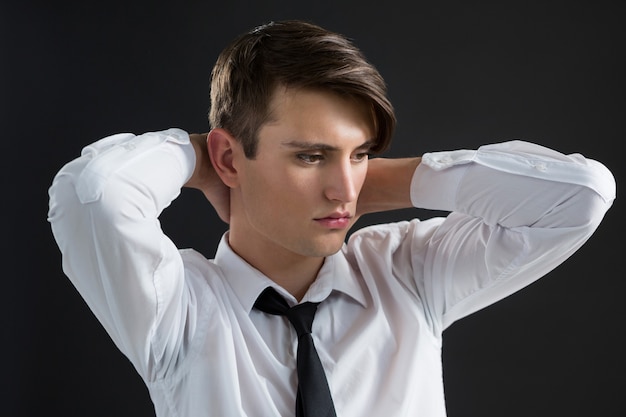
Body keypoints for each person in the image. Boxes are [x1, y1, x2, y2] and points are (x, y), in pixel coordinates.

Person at [47, 19, 615, 417]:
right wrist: (198, 162)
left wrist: (383, 184)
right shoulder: (178, 310)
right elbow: (95, 194)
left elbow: (579, 195)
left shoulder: (409, 274)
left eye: (360, 153)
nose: (343, 188)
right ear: (229, 157)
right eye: (310, 155)